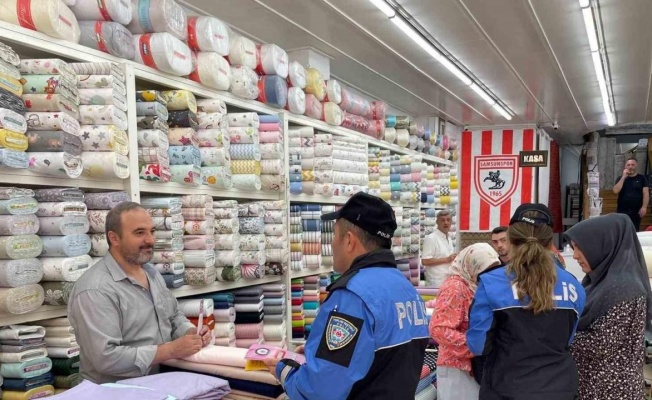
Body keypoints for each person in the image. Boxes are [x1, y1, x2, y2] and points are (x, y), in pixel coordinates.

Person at [264, 193, 429, 400]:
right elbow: (381, 357)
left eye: (334, 235)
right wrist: (320, 352)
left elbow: (320, 391)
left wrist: (285, 371)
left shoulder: (353, 296)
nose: (332, 244)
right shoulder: (407, 290)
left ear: (349, 240)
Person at [68, 202, 212, 384]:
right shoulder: (95, 290)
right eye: (139, 233)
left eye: (152, 231)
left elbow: (173, 315)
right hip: (113, 393)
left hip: (158, 383)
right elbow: (105, 358)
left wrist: (190, 332)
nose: (150, 240)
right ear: (114, 238)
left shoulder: (151, 273)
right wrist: (170, 351)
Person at [466, 203, 586, 400]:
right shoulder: (574, 286)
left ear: (511, 239)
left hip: (507, 387)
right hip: (560, 388)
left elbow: (477, 345)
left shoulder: (491, 283)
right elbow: (568, 340)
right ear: (550, 243)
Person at [565, 213, 652, 399]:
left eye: (580, 247)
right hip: (593, 386)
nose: (575, 255)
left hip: (612, 390)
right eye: (573, 247)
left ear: (602, 244)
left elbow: (602, 344)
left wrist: (556, 335)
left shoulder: (623, 287)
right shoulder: (596, 281)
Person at [430, 243, 501, 400]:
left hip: (471, 365)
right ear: (472, 265)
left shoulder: (472, 284)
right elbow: (439, 329)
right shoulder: (455, 287)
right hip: (456, 367)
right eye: (485, 270)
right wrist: (475, 346)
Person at [422, 210, 456, 287]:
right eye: (442, 220)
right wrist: (447, 259)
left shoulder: (449, 237)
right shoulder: (431, 238)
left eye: (448, 220)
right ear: (437, 222)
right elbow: (425, 261)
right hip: (436, 283)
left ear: (451, 222)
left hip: (447, 281)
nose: (446, 222)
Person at [613, 157, 649, 231]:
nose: (630, 167)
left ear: (636, 166)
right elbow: (615, 191)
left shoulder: (642, 178)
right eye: (628, 165)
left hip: (637, 210)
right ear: (625, 166)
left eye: (632, 165)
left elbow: (646, 193)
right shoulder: (620, 178)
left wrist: (644, 207)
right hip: (622, 210)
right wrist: (623, 177)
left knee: (634, 230)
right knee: (622, 230)